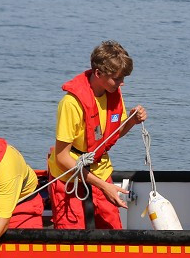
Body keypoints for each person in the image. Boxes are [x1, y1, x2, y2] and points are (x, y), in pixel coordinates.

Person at [49, 40, 147, 229]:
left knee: (113, 235)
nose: (122, 84)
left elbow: (113, 134)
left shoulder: (113, 92)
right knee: (72, 242)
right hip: (68, 178)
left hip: (100, 171)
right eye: (117, 78)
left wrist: (132, 121)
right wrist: (104, 186)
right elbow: (62, 157)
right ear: (98, 73)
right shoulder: (71, 103)